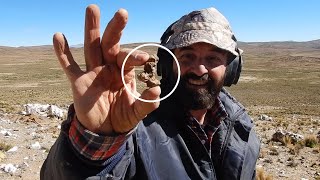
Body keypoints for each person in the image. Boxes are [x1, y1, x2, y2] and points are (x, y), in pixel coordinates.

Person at [41, 4, 260, 180]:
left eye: (213, 58)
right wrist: (96, 142)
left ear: (230, 69)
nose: (199, 69)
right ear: (166, 64)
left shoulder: (241, 127)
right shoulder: (134, 126)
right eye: (187, 56)